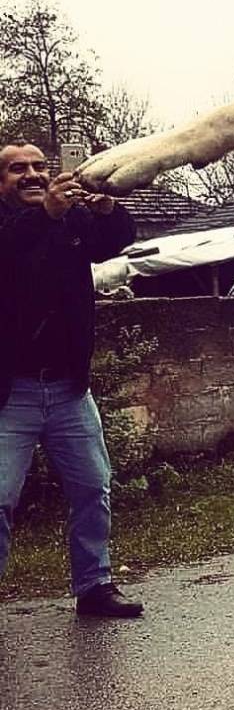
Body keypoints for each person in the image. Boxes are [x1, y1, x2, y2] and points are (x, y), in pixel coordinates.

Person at [0, 141, 142, 618]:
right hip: (10, 394)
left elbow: (119, 238)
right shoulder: (12, 224)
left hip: (68, 389)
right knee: (0, 498)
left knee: (92, 486)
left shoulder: (69, 218)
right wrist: (49, 217)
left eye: (40, 166)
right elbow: (12, 251)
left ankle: (95, 586)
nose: (33, 175)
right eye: (17, 169)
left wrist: (106, 206)